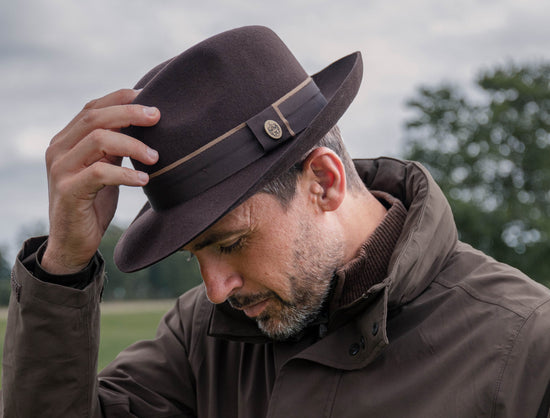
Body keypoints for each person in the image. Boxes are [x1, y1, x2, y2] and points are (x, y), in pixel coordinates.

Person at [2, 25, 550, 418]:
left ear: (324, 182)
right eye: (196, 256)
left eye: (232, 242)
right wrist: (64, 268)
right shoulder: (202, 338)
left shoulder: (527, 347)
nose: (215, 291)